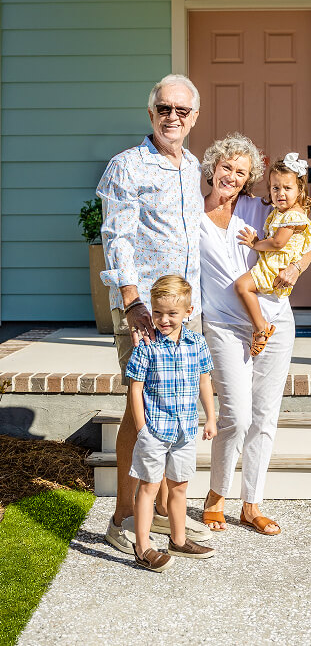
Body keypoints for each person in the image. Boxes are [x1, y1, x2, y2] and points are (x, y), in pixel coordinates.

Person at [97, 74, 210, 553]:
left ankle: (164, 513)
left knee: (176, 399)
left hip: (186, 308)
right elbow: (116, 236)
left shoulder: (192, 166)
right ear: (151, 113)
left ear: (194, 118)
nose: (173, 118)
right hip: (143, 307)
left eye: (182, 112)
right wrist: (132, 301)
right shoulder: (127, 166)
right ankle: (122, 518)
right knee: (138, 404)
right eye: (165, 109)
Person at [199, 134, 311, 535]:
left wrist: (296, 270)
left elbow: (304, 242)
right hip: (225, 325)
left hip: (276, 323)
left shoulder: (260, 209)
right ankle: (216, 495)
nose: (231, 176)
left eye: (241, 171)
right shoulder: (189, 215)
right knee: (237, 415)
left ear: (250, 179)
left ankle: (252, 504)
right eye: (226, 167)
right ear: (212, 168)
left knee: (265, 416)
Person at [127, 275, 216, 572]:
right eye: (158, 312)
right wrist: (141, 429)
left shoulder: (196, 343)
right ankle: (143, 547)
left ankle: (178, 540)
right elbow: (135, 389)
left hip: (185, 430)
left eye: (172, 313)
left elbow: (205, 381)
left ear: (188, 312)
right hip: (154, 430)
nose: (164, 319)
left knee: (179, 486)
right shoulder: (146, 347)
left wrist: (211, 418)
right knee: (149, 487)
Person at [234, 153, 311, 356]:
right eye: (275, 188)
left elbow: (278, 242)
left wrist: (255, 244)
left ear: (300, 190)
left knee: (242, 286)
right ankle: (261, 324)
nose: (281, 193)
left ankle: (261, 328)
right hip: (273, 266)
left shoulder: (291, 215)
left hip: (273, 268)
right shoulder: (282, 212)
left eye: (287, 188)